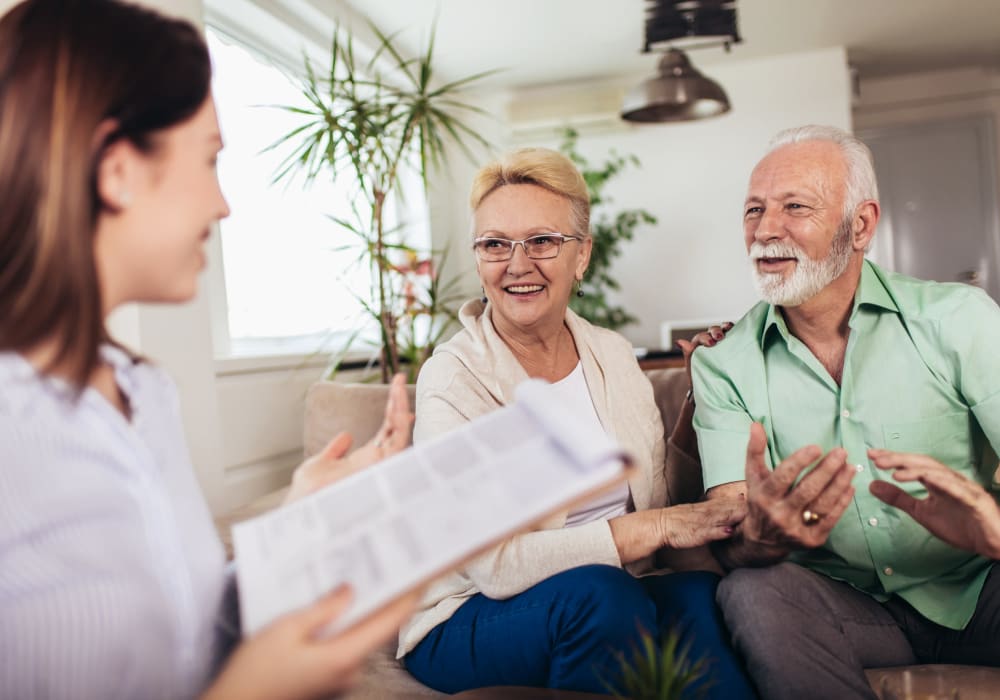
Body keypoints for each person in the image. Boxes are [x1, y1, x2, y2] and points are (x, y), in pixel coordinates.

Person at [0, 1, 419, 698]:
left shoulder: (142, 391)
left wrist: (299, 514)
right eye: (209, 159)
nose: (223, 204)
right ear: (118, 168)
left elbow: (182, 623)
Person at [399, 148, 756, 698]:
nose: (517, 264)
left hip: (619, 592)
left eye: (541, 241)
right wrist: (656, 530)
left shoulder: (610, 354)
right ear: (478, 259)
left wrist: (697, 395)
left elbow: (659, 498)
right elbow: (494, 568)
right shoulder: (453, 378)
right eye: (495, 244)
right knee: (601, 596)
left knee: (696, 594)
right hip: (468, 615)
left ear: (581, 255)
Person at [691, 124, 1000, 699]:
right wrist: (761, 538)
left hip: (982, 586)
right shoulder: (723, 365)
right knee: (752, 591)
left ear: (860, 225)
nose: (765, 230)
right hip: (851, 608)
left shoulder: (958, 319)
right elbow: (731, 533)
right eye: (753, 210)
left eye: (795, 207)